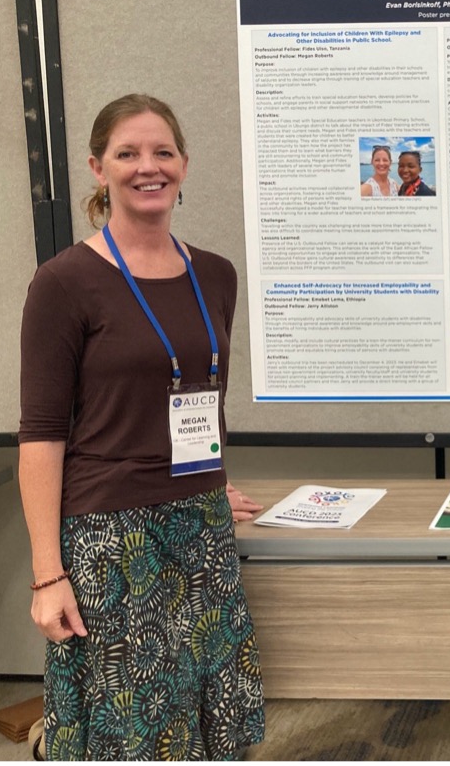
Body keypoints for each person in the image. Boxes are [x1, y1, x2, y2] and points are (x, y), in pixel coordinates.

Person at [18, 94, 267, 760]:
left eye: (162, 152)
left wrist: (214, 484)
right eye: (127, 153)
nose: (147, 167)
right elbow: (41, 434)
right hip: (112, 539)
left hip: (201, 530)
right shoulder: (65, 282)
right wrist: (47, 575)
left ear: (183, 164)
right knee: (134, 731)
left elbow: (196, 398)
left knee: (210, 727)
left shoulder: (214, 274)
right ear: (98, 168)